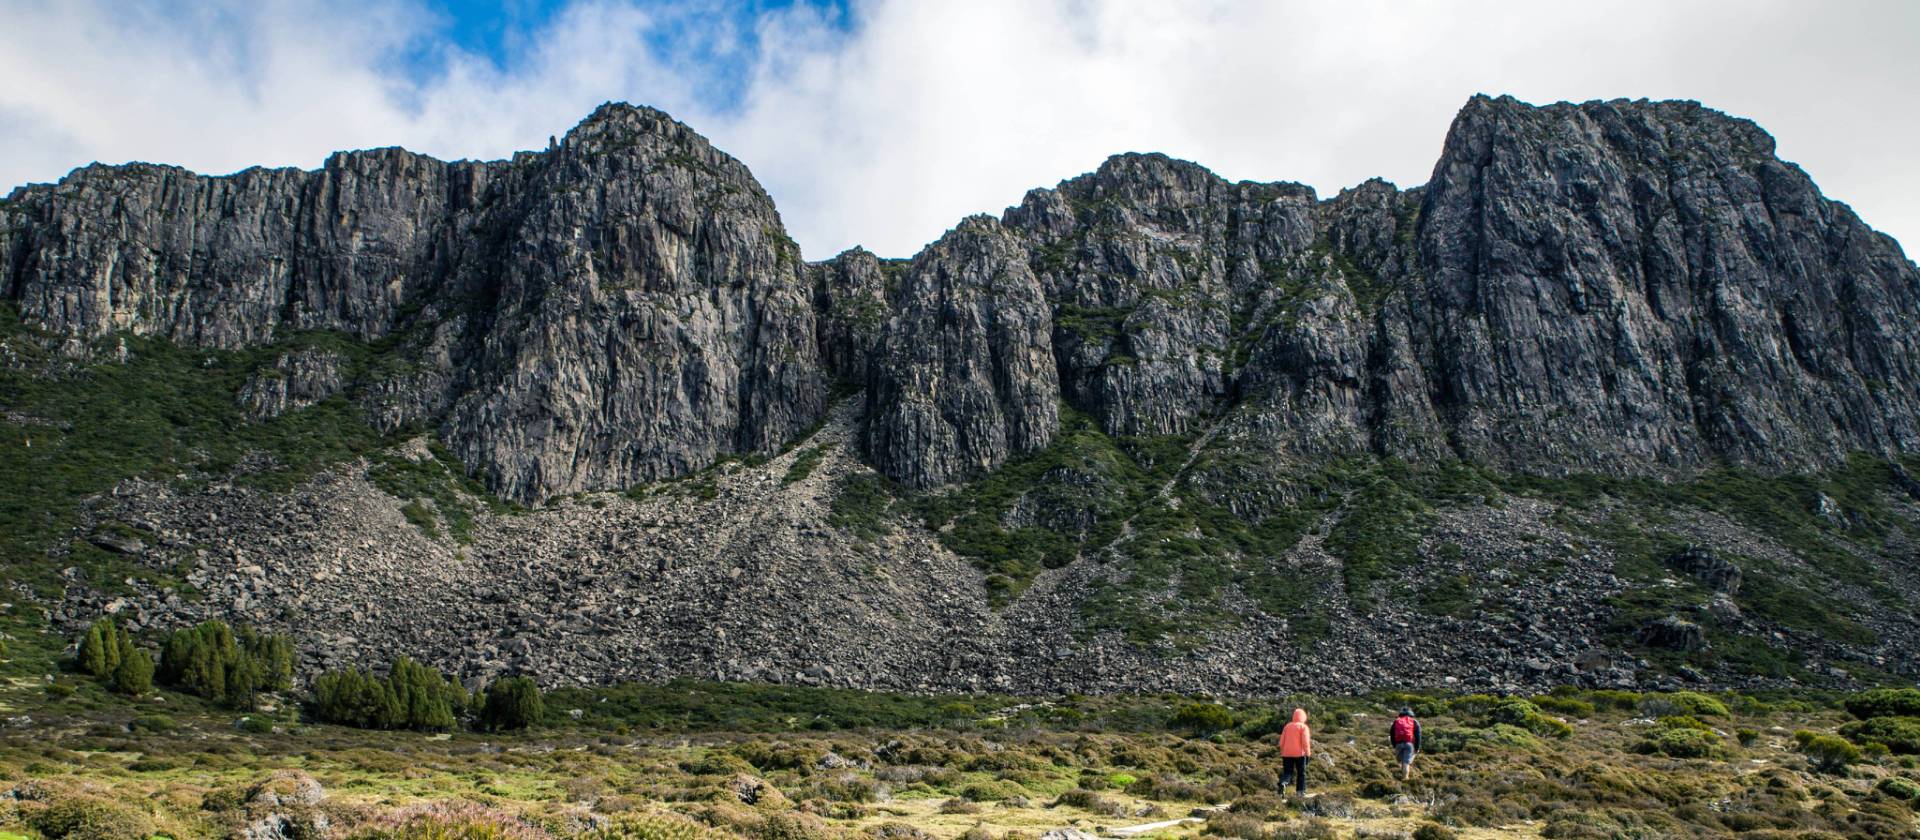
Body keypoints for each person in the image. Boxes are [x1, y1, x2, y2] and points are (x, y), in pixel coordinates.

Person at [1277, 708, 1312, 795]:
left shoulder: (1287, 726)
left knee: (1287, 772)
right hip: (1300, 754)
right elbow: (1305, 742)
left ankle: (1283, 783)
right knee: (1301, 773)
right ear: (1304, 717)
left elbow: (1281, 742)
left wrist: (1282, 751)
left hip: (1286, 754)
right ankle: (1300, 791)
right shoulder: (1303, 727)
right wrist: (1308, 754)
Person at [1390, 707, 1422, 780]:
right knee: (1406, 763)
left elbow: (1392, 734)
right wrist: (1417, 748)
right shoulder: (1414, 721)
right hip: (1409, 744)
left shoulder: (1396, 721)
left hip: (1398, 744)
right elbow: (1418, 736)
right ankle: (1405, 779)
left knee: (1400, 760)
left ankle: (1399, 774)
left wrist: (1394, 745)